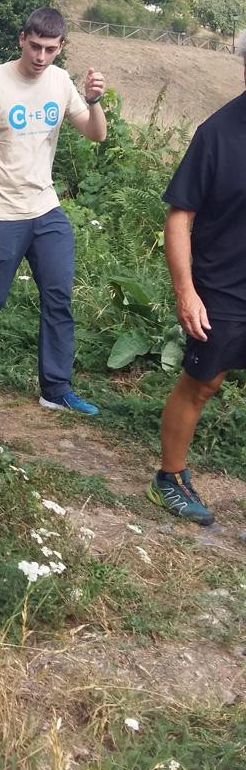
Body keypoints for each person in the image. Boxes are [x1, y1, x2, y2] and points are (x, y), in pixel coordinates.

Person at [0, 7, 106, 412]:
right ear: (22, 39)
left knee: (58, 295)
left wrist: (94, 101)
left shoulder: (60, 81)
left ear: (60, 47)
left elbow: (95, 134)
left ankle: (55, 388)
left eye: (51, 49)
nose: (41, 57)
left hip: (45, 207)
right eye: (35, 46)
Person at [147, 37, 246, 526]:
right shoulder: (218, 135)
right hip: (222, 287)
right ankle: (170, 477)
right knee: (201, 384)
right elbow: (180, 217)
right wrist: (186, 292)